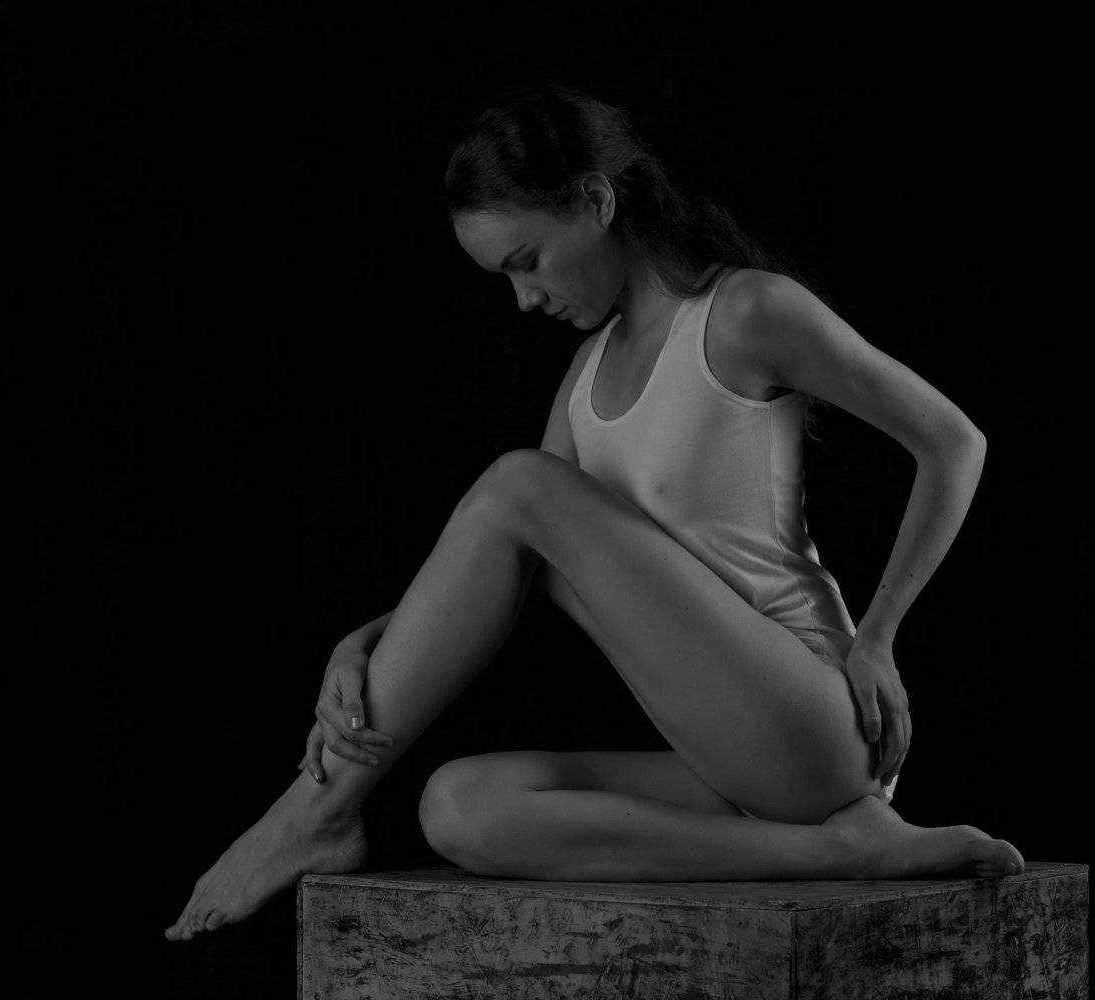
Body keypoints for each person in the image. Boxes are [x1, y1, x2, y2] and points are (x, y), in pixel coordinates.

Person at [165, 83, 1022, 943]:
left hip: (819, 724)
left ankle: (315, 809)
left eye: (527, 261)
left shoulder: (745, 312)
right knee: (457, 805)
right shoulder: (585, 378)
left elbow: (955, 444)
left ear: (596, 201)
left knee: (520, 482)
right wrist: (362, 646)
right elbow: (498, 556)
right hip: (728, 765)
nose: (524, 299)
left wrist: (879, 636)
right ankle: (840, 851)